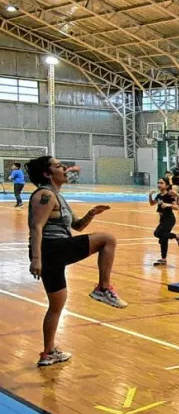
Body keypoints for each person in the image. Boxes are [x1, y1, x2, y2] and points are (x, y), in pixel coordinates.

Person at [26, 156, 127, 366]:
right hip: (51, 249)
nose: (64, 167)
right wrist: (36, 259)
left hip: (53, 252)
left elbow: (78, 226)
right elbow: (36, 228)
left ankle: (48, 353)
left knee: (56, 305)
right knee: (108, 239)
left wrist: (91, 214)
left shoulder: (58, 196)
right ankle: (103, 288)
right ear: (47, 173)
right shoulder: (45, 195)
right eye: (58, 166)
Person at [148, 178, 179, 266]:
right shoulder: (159, 195)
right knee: (163, 238)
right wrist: (150, 196)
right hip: (162, 219)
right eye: (158, 183)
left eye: (161, 183)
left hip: (169, 219)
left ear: (167, 185)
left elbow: (177, 207)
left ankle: (176, 236)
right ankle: (163, 259)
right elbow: (152, 203)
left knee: (157, 233)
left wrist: (168, 205)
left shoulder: (169, 196)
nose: (159, 184)